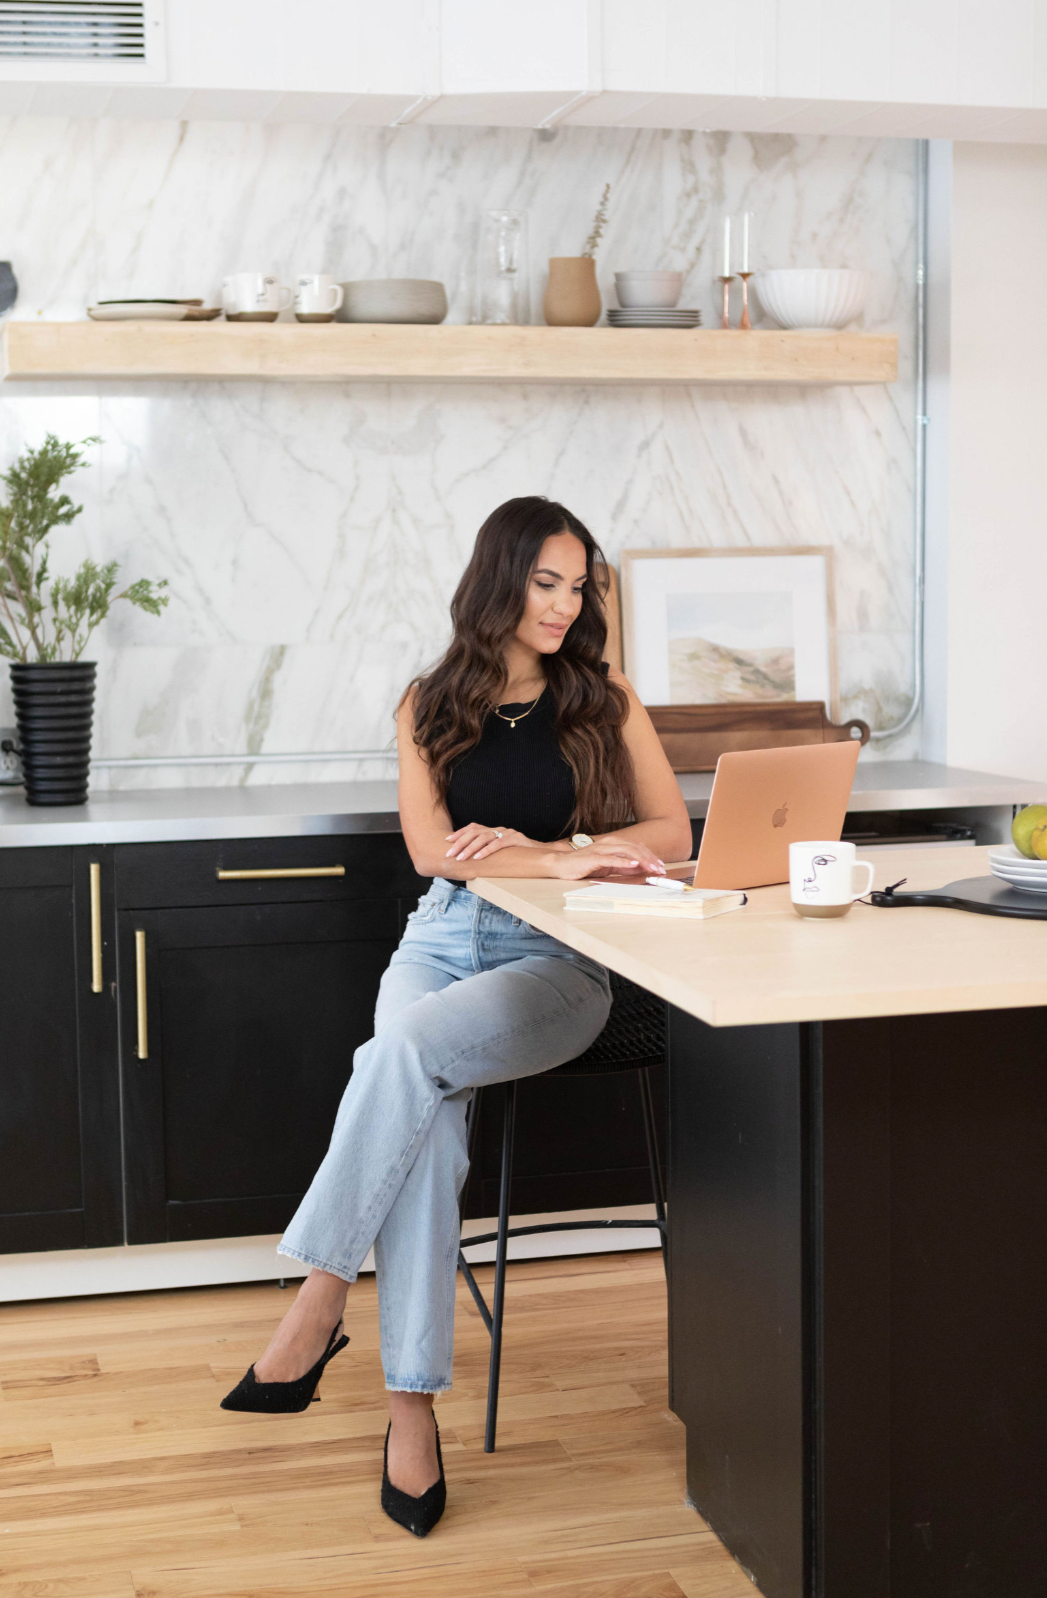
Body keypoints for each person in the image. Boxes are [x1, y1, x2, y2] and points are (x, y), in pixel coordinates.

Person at [219, 496, 692, 1536]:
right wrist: (552, 846)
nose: (567, 604)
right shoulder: (428, 702)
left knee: (400, 1056)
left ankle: (320, 1294)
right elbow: (436, 852)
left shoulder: (604, 696)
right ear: (501, 580)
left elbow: (671, 826)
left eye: (580, 585)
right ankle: (410, 1407)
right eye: (547, 583)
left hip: (557, 958)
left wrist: (557, 855)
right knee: (418, 1109)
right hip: (438, 936)